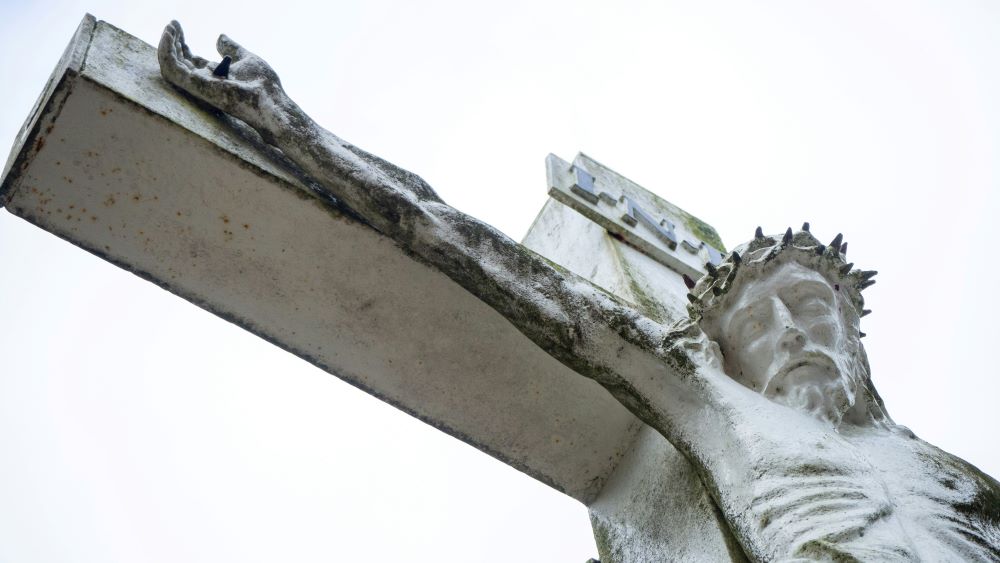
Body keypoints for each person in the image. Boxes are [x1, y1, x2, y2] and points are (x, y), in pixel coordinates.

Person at [158, 21, 1000, 560]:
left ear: (855, 330)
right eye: (756, 319)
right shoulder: (711, 400)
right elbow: (454, 237)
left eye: (813, 308)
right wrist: (285, 122)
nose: (790, 332)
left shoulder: (951, 471)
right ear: (719, 349)